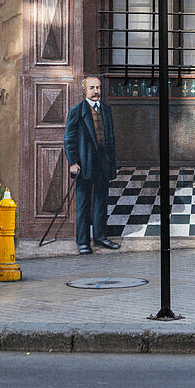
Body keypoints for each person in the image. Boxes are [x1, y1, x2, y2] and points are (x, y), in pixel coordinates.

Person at [64, 76, 120, 255]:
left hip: (103, 163)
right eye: (92, 88)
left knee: (101, 202)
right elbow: (69, 138)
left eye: (98, 87)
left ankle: (100, 237)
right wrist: (73, 162)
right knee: (83, 204)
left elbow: (110, 138)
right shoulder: (76, 111)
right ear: (84, 91)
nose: (96, 91)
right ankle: (83, 242)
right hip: (84, 163)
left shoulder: (106, 110)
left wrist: (111, 161)